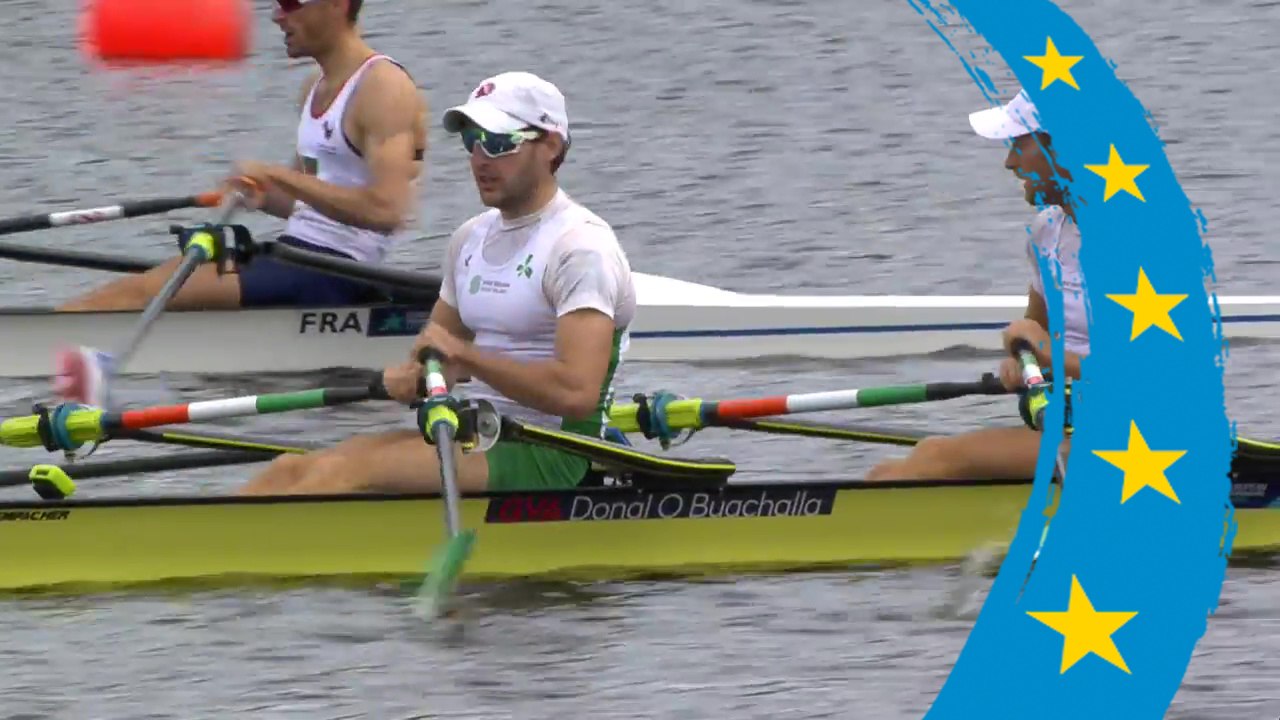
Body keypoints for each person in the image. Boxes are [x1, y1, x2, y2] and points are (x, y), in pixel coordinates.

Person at [238, 71, 638, 496]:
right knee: (294, 469)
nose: (480, 159)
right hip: (474, 431)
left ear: (550, 146)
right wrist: (413, 376)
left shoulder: (580, 248)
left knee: (340, 476)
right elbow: (435, 349)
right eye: (471, 140)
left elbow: (575, 393)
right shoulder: (470, 239)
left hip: (552, 454)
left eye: (499, 142)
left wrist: (468, 360)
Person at [59, 0, 427, 312]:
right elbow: (308, 203)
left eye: (289, 3)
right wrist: (263, 195)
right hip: (298, 256)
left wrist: (279, 176)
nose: (277, 16)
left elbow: (387, 211)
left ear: (337, 4)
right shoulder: (313, 89)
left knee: (139, 292)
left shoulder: (383, 87)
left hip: (341, 272)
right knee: (148, 284)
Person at [867, 88, 1085, 482]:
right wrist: (1023, 363)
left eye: (1019, 145)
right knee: (888, 470)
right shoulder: (1047, 234)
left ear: (1059, 149)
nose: (1009, 163)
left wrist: (1043, 351)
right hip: (1080, 422)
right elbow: (1034, 336)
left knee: (934, 459)